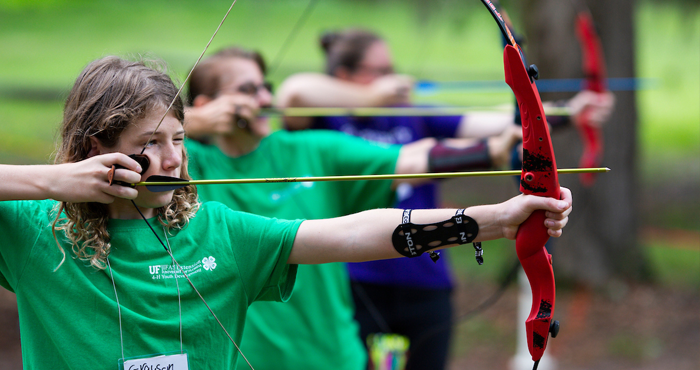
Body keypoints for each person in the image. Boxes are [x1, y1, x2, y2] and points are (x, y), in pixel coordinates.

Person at [0, 55, 573, 370]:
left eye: (178, 139)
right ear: (98, 146)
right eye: (150, 142)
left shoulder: (214, 229)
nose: (173, 159)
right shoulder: (34, 232)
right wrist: (54, 181)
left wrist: (493, 220)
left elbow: (347, 235)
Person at [275, 28, 614, 370]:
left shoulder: (412, 113)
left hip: (425, 275)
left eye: (392, 70)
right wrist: (370, 95)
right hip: (358, 280)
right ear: (344, 75)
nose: (392, 79)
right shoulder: (326, 121)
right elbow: (293, 93)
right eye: (379, 71)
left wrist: (569, 112)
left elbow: (498, 122)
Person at [183, 47, 523, 370]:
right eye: (248, 90)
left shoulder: (309, 150)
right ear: (208, 104)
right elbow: (141, 143)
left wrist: (493, 151)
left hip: (333, 358)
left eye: (264, 87)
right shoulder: (187, 165)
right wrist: (194, 122)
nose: (265, 100)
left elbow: (408, 159)